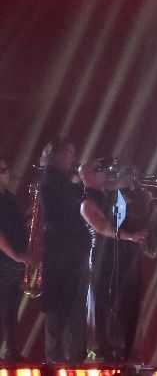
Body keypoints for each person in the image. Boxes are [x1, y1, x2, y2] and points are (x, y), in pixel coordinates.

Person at [78, 159, 148, 363]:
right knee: (103, 302)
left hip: (123, 255)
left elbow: (120, 191)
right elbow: (101, 227)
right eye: (98, 170)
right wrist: (129, 236)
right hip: (103, 257)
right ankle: (102, 349)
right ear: (87, 177)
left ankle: (126, 349)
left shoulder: (108, 194)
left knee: (128, 300)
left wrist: (134, 185)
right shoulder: (87, 202)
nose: (104, 171)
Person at [37, 139, 91, 364]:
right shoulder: (51, 181)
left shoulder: (63, 182)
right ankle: (60, 359)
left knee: (69, 306)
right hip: (61, 254)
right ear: (56, 155)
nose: (73, 158)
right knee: (61, 307)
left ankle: (68, 357)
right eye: (69, 153)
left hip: (68, 253)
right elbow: (65, 213)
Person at [0, 159, 31, 363]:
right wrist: (15, 255)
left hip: (14, 263)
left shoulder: (9, 198)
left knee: (11, 309)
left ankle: (12, 351)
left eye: (6, 169)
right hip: (4, 261)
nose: (7, 173)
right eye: (2, 170)